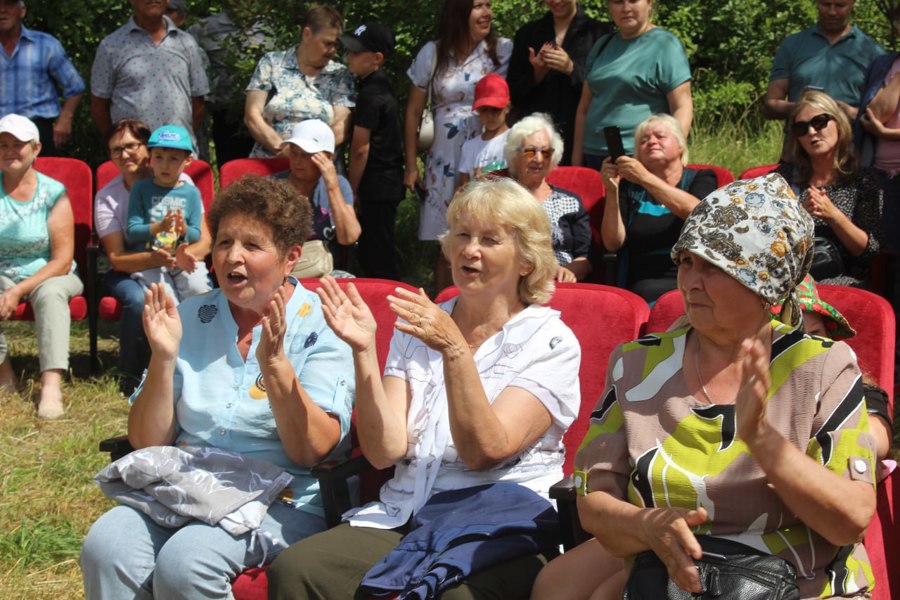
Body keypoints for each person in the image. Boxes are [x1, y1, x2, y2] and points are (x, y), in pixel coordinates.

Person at [533, 173, 877, 600]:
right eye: (686, 262)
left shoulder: (821, 365)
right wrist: (645, 525)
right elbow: (593, 499)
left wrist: (766, 445)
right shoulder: (638, 363)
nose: (691, 281)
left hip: (799, 583)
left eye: (714, 266)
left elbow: (851, 520)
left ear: (764, 282)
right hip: (668, 577)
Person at [267, 178, 581, 599]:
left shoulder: (552, 342)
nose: (470, 249)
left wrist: (453, 348)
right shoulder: (419, 324)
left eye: (490, 240)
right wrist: (363, 350)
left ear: (526, 260)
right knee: (296, 569)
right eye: (463, 236)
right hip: (407, 514)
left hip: (497, 527)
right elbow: (384, 451)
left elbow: (485, 450)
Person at [80, 175, 356, 599]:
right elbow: (145, 439)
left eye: (252, 245)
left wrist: (278, 368)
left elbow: (312, 451)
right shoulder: (189, 315)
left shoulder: (322, 323)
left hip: (285, 498)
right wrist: (164, 358)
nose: (233, 257)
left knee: (187, 562)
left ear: (291, 257)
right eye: (224, 243)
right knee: (107, 544)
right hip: (187, 486)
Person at [403, 0, 513, 291]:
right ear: (459, 12)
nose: (487, 12)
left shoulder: (501, 49)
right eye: (479, 6)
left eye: (490, 5)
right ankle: (443, 305)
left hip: (486, 150)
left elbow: (519, 92)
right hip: (444, 158)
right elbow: (413, 112)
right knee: (446, 241)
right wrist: (410, 164)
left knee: (486, 229)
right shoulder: (434, 52)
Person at [95, 119, 210, 395]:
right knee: (146, 299)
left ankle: (200, 361)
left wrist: (183, 255)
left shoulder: (185, 185)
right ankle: (135, 372)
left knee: (198, 291)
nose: (124, 155)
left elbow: (203, 238)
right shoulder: (108, 196)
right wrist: (160, 258)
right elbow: (117, 257)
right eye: (116, 150)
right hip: (132, 266)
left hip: (180, 260)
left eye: (131, 146)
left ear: (145, 148)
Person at [0, 114, 82, 419]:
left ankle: (51, 384)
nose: (9, 150)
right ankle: (5, 373)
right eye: (3, 144)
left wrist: (19, 289)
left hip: (52, 272)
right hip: (3, 273)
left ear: (36, 149)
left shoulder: (53, 193)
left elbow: (62, 259)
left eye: (17, 144)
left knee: (49, 295)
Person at [770, 274, 894, 461]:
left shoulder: (856, 385)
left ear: (829, 335)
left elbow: (875, 440)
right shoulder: (742, 386)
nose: (807, 344)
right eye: (790, 336)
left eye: (815, 333)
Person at [599, 113, 717, 301]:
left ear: (680, 146)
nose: (652, 142)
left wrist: (644, 177)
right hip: (644, 283)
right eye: (644, 140)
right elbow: (613, 243)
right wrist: (612, 190)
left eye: (660, 136)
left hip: (694, 277)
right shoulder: (629, 188)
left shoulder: (702, 178)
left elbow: (699, 214)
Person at [777, 90, 882, 287]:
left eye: (819, 122)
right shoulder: (783, 178)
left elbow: (868, 252)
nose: (811, 132)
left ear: (839, 124)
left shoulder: (863, 180)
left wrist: (833, 215)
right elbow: (766, 238)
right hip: (790, 280)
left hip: (843, 280)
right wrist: (800, 217)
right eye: (801, 128)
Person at [572, 0, 692, 168]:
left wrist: (672, 157)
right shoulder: (602, 45)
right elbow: (584, 109)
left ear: (649, 3)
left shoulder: (665, 45)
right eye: (618, 2)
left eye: (633, 1)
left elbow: (682, 106)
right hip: (592, 154)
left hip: (640, 156)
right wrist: (576, 163)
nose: (626, 8)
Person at [90, 0, 209, 152]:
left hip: (178, 151)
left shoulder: (186, 42)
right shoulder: (111, 46)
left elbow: (198, 101)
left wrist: (182, 137)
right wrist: (118, 145)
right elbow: (99, 106)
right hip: (132, 155)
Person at [506, 0, 609, 166]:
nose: (556, 1)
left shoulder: (599, 34)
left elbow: (605, 91)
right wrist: (537, 74)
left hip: (581, 138)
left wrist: (571, 69)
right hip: (536, 141)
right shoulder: (527, 34)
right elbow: (515, 96)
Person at [244, 4, 355, 158]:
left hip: (318, 167)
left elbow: (341, 125)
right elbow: (252, 114)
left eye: (336, 44)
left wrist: (306, 153)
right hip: (270, 163)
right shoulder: (272, 63)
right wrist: (282, 149)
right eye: (328, 43)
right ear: (307, 34)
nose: (333, 50)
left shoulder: (339, 74)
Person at [342, 22, 404, 280]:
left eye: (357, 52)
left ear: (377, 58)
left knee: (377, 256)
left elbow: (360, 148)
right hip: (384, 182)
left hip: (376, 184)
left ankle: (391, 306)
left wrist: (352, 189)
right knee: (373, 251)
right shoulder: (378, 86)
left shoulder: (371, 94)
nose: (349, 57)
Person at [125, 124, 211, 303]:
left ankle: (199, 330)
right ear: (150, 158)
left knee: (199, 290)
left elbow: (196, 235)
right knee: (165, 298)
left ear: (187, 161)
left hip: (183, 258)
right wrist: (159, 227)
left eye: (173, 159)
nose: (165, 165)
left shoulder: (191, 193)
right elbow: (132, 233)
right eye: (158, 157)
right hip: (151, 261)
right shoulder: (140, 189)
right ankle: (172, 331)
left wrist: (184, 229)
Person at [764, 0, 882, 127]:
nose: (832, 12)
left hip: (853, 143)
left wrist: (850, 113)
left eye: (840, 5)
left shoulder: (872, 52)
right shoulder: (792, 44)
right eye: (825, 4)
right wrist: (805, 108)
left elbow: (882, 113)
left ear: (852, 3)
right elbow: (771, 106)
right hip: (800, 141)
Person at [505, 113, 591, 282]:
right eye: (530, 151)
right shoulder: (502, 200)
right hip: (513, 283)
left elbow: (585, 259)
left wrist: (568, 271)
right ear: (515, 155)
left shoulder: (570, 202)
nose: (538, 159)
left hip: (560, 284)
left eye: (545, 152)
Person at [188, 1, 273, 168]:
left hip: (266, 117)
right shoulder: (203, 29)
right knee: (231, 172)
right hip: (227, 118)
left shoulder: (271, 26)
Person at [274, 119, 360, 277]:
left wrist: (332, 186)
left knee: (349, 282)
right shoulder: (272, 187)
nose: (298, 160)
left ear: (328, 157)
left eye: (307, 155)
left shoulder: (339, 185)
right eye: (294, 152)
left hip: (324, 270)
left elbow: (349, 237)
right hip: (279, 270)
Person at [0, 0, 85, 156]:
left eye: (9, 4)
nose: (2, 10)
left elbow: (75, 86)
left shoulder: (45, 45)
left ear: (22, 11)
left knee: (41, 179)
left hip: (38, 131)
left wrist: (65, 119)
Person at [457, 73, 511, 188]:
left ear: (507, 107)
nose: (490, 115)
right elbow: (463, 188)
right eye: (484, 109)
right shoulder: (469, 147)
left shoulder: (515, 140)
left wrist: (493, 174)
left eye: (496, 109)